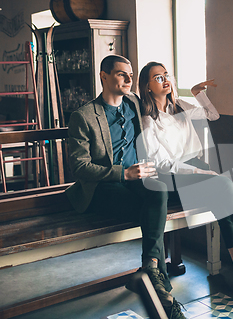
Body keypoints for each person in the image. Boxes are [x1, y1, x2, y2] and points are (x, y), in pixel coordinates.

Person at [138, 61, 233, 312]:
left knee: (225, 207)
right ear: (146, 86)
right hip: (175, 176)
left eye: (166, 75)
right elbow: (162, 162)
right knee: (224, 186)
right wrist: (198, 170)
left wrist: (199, 95)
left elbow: (212, 115)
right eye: (157, 78)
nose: (165, 80)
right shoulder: (149, 119)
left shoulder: (181, 106)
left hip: (198, 172)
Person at [65, 55, 185, 319]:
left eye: (130, 74)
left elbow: (167, 104)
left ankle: (150, 270)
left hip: (139, 179)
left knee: (159, 190)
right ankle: (159, 285)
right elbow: (80, 168)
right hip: (103, 187)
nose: (129, 79)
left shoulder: (133, 103)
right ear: (104, 76)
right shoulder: (83, 116)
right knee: (151, 211)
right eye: (121, 74)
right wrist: (124, 173)